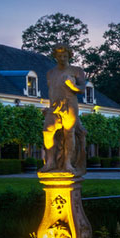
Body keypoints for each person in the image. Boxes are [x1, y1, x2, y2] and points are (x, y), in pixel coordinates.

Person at [40, 43, 87, 175]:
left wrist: (72, 86)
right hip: (54, 106)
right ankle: (50, 162)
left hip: (70, 104)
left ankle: (68, 163)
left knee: (69, 133)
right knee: (47, 131)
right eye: (59, 56)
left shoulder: (77, 71)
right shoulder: (50, 73)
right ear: (55, 56)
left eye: (65, 55)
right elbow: (52, 90)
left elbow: (82, 89)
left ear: (69, 56)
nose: (62, 58)